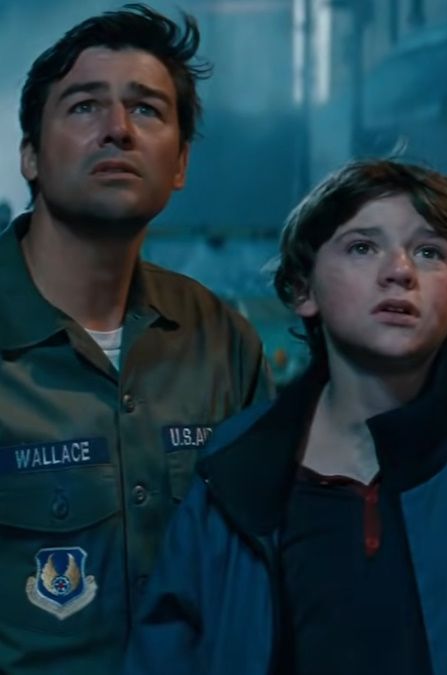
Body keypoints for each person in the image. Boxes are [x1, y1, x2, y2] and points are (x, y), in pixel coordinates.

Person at [124, 159, 447, 675]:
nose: (399, 271)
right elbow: (168, 652)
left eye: (429, 252)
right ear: (304, 289)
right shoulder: (237, 465)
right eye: (362, 247)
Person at [0, 6, 271, 674]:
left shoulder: (219, 340)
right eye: (85, 106)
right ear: (30, 155)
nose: (118, 129)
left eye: (147, 110)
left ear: (179, 163)